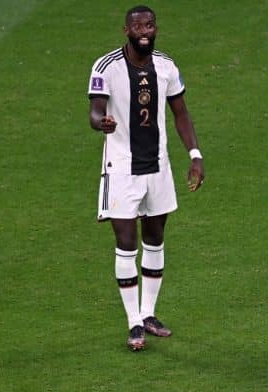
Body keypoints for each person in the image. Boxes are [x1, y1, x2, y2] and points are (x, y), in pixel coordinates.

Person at [87, 5, 205, 351]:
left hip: (158, 165)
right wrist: (101, 122)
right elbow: (95, 110)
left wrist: (195, 156)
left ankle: (149, 313)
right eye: (138, 26)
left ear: (155, 29)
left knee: (155, 238)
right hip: (122, 168)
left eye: (149, 25)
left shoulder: (166, 66)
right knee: (126, 241)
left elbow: (181, 113)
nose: (144, 31)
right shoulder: (105, 67)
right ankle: (133, 322)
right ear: (126, 30)